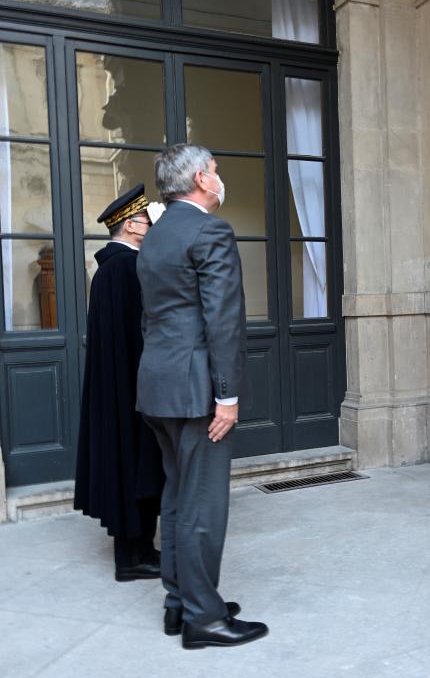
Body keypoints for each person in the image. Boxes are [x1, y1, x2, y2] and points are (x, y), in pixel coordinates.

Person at [136, 144, 268, 649]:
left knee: (176, 498)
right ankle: (204, 620)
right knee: (203, 506)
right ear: (198, 178)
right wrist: (227, 396)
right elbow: (223, 320)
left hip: (159, 386)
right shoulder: (209, 229)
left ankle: (181, 602)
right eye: (214, 170)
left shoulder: (156, 234)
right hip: (196, 392)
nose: (219, 176)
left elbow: (152, 318)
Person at [74, 184, 165, 582]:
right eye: (146, 218)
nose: (150, 224)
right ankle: (134, 557)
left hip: (121, 387)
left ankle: (137, 551)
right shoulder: (126, 268)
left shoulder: (110, 268)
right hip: (133, 389)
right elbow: (140, 335)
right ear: (131, 225)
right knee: (138, 468)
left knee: (131, 467)